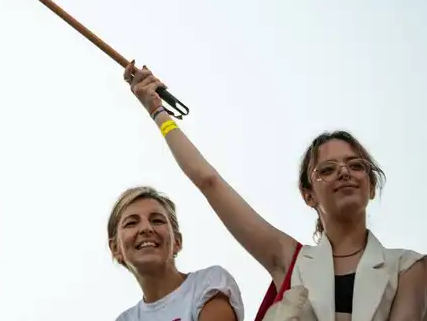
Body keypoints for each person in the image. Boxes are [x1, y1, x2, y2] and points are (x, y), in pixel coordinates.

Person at [123, 62, 426, 321]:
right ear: (308, 195)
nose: (344, 173)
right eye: (327, 170)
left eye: (356, 165)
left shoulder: (408, 267)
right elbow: (209, 181)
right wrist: (157, 111)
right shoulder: (289, 261)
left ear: (371, 186)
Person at [108, 185, 245, 320]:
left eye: (157, 220)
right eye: (131, 223)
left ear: (177, 242)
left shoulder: (209, 283)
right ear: (115, 248)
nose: (146, 228)